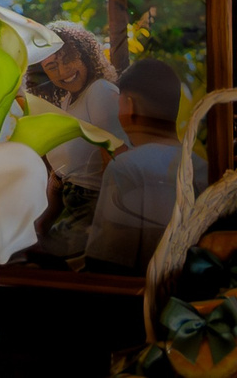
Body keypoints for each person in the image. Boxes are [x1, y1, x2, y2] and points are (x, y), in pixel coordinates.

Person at [84, 57, 202, 271]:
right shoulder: (201, 165)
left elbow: (108, 260)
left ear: (130, 105)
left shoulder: (126, 167)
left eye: (119, 102)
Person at [30, 21, 127, 259]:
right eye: (52, 66)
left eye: (68, 59)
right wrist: (42, 223)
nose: (63, 71)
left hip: (94, 208)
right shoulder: (68, 100)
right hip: (72, 206)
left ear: (84, 54)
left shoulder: (100, 91)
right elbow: (61, 174)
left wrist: (106, 225)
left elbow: (117, 158)